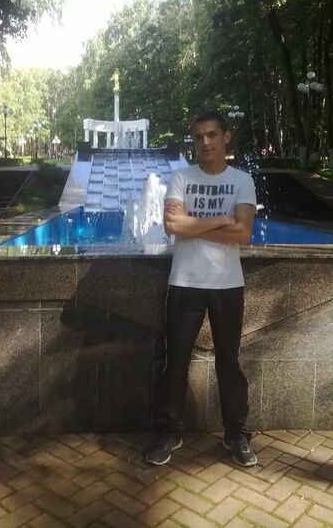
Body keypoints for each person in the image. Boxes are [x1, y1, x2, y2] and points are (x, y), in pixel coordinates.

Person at [146, 111, 257, 467]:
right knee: (175, 362)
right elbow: (171, 225)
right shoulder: (181, 177)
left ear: (226, 137)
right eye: (198, 136)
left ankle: (236, 433)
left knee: (229, 363)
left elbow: (243, 233)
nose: (205, 142)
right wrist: (222, 219)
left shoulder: (242, 180)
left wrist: (193, 225)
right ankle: (169, 432)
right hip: (185, 283)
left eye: (211, 135)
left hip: (227, 284)